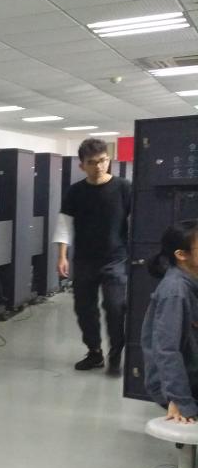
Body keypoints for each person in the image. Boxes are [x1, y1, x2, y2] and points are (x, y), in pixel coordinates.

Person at [54, 138, 132, 374]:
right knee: (84, 308)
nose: (99, 166)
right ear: (82, 166)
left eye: (102, 160)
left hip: (116, 259)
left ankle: (116, 352)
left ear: (109, 160)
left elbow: (136, 221)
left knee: (115, 306)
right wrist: (62, 256)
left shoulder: (124, 188)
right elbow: (64, 224)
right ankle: (94, 352)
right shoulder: (75, 192)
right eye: (92, 162)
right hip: (84, 260)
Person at [141, 220, 198, 425]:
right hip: (180, 385)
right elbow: (167, 350)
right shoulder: (175, 292)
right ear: (181, 255)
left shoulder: (192, 279)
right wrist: (181, 400)